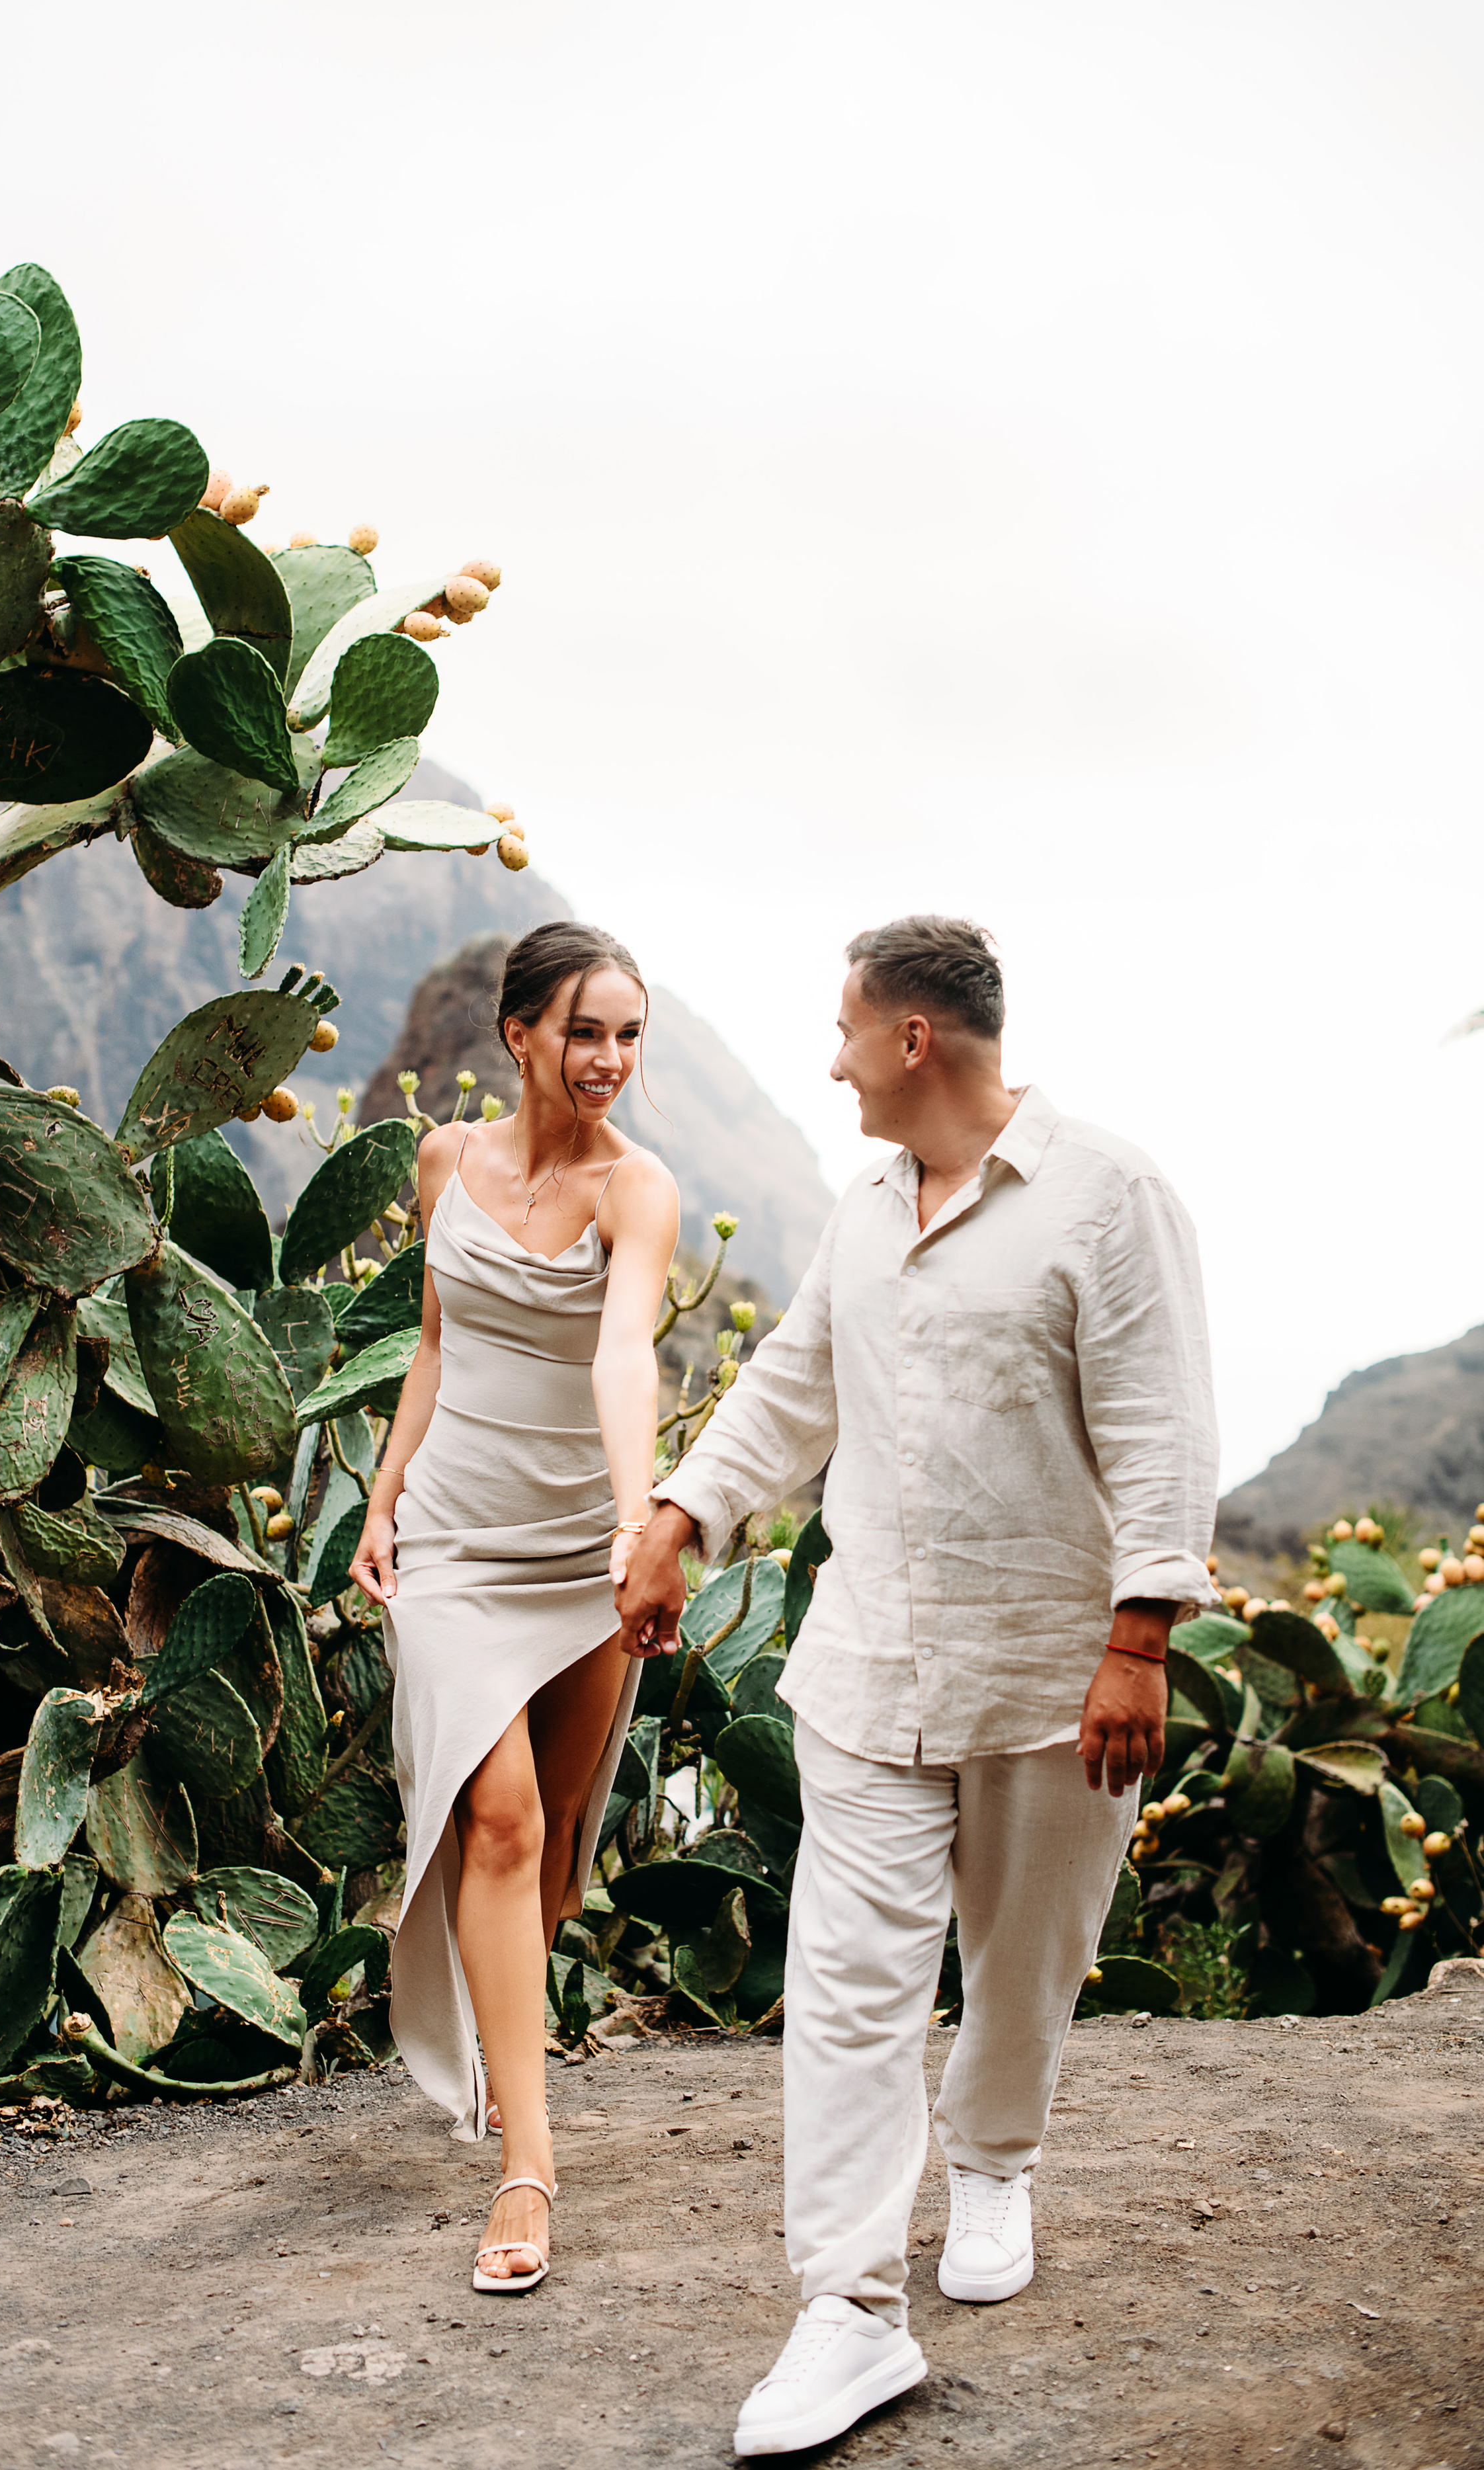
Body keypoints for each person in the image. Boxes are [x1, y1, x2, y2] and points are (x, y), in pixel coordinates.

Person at [616, 915, 1217, 2457]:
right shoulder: (864, 1204)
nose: (828, 1060)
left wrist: (1139, 1640)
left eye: (843, 1031)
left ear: (912, 1042)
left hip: (1052, 1672)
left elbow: (1160, 1421)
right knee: (846, 1981)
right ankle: (845, 2309)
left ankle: (996, 2160)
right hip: (866, 1660)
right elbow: (790, 1381)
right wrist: (685, 1516)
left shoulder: (1107, 1194)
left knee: (1024, 1958)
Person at [350, 921, 678, 2297]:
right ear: (518, 1036)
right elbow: (434, 1345)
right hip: (457, 1548)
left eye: (627, 1035)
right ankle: (526, 2168)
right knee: (499, 1820)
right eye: (583, 1031)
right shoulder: (443, 1163)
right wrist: (379, 1494)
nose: (606, 1061)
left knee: (546, 1867)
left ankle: (502, 2052)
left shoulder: (637, 1190)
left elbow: (620, 1353)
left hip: (580, 1554)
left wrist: (637, 1517)